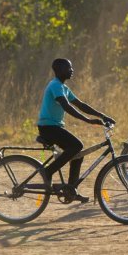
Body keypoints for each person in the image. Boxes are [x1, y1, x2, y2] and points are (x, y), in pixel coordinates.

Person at [37, 58, 115, 203]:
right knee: (77, 145)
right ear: (59, 70)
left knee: (78, 154)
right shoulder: (55, 85)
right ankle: (48, 172)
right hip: (48, 128)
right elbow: (66, 106)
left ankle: (71, 190)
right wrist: (88, 121)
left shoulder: (64, 88)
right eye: (68, 68)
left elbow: (81, 105)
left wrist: (103, 116)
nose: (72, 70)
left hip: (54, 127)